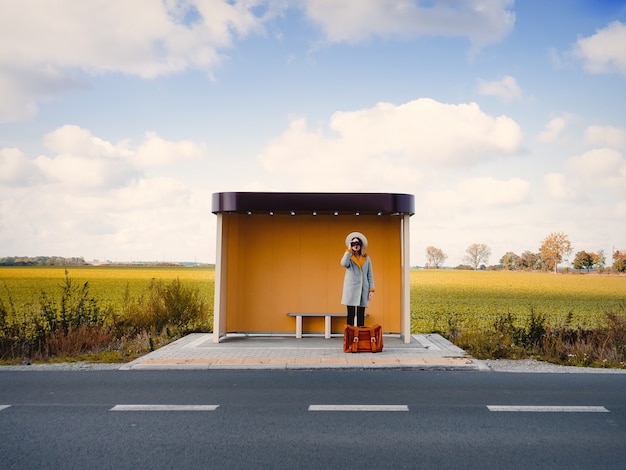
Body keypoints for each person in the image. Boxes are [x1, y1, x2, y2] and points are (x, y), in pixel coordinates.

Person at [340, 231, 375, 327]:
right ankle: (350, 337)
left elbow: (370, 275)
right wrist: (348, 250)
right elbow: (343, 263)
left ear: (361, 245)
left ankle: (360, 338)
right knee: (350, 315)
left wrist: (371, 290)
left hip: (363, 289)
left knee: (361, 315)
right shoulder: (349, 257)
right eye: (353, 243)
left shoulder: (366, 258)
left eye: (358, 243)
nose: (356, 245)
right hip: (351, 289)